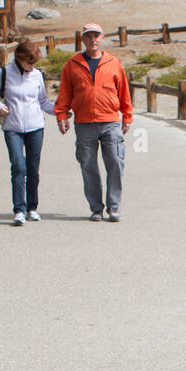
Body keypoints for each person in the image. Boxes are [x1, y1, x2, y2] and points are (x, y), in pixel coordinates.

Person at [55, 23, 133, 222]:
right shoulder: (72, 64)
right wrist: (61, 115)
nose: (93, 40)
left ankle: (114, 207)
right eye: (88, 36)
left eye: (96, 36)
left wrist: (127, 115)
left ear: (102, 38)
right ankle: (96, 208)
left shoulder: (113, 63)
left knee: (115, 161)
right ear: (83, 39)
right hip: (84, 122)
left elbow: (124, 91)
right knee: (88, 165)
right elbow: (64, 93)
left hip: (110, 121)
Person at [0, 39, 55, 226]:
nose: (32, 67)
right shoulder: (4, 73)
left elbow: (43, 102)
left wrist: (60, 111)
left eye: (34, 63)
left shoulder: (37, 75)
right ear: (19, 58)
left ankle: (32, 207)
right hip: (12, 127)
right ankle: (19, 209)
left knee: (33, 169)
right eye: (29, 62)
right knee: (18, 166)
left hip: (35, 127)